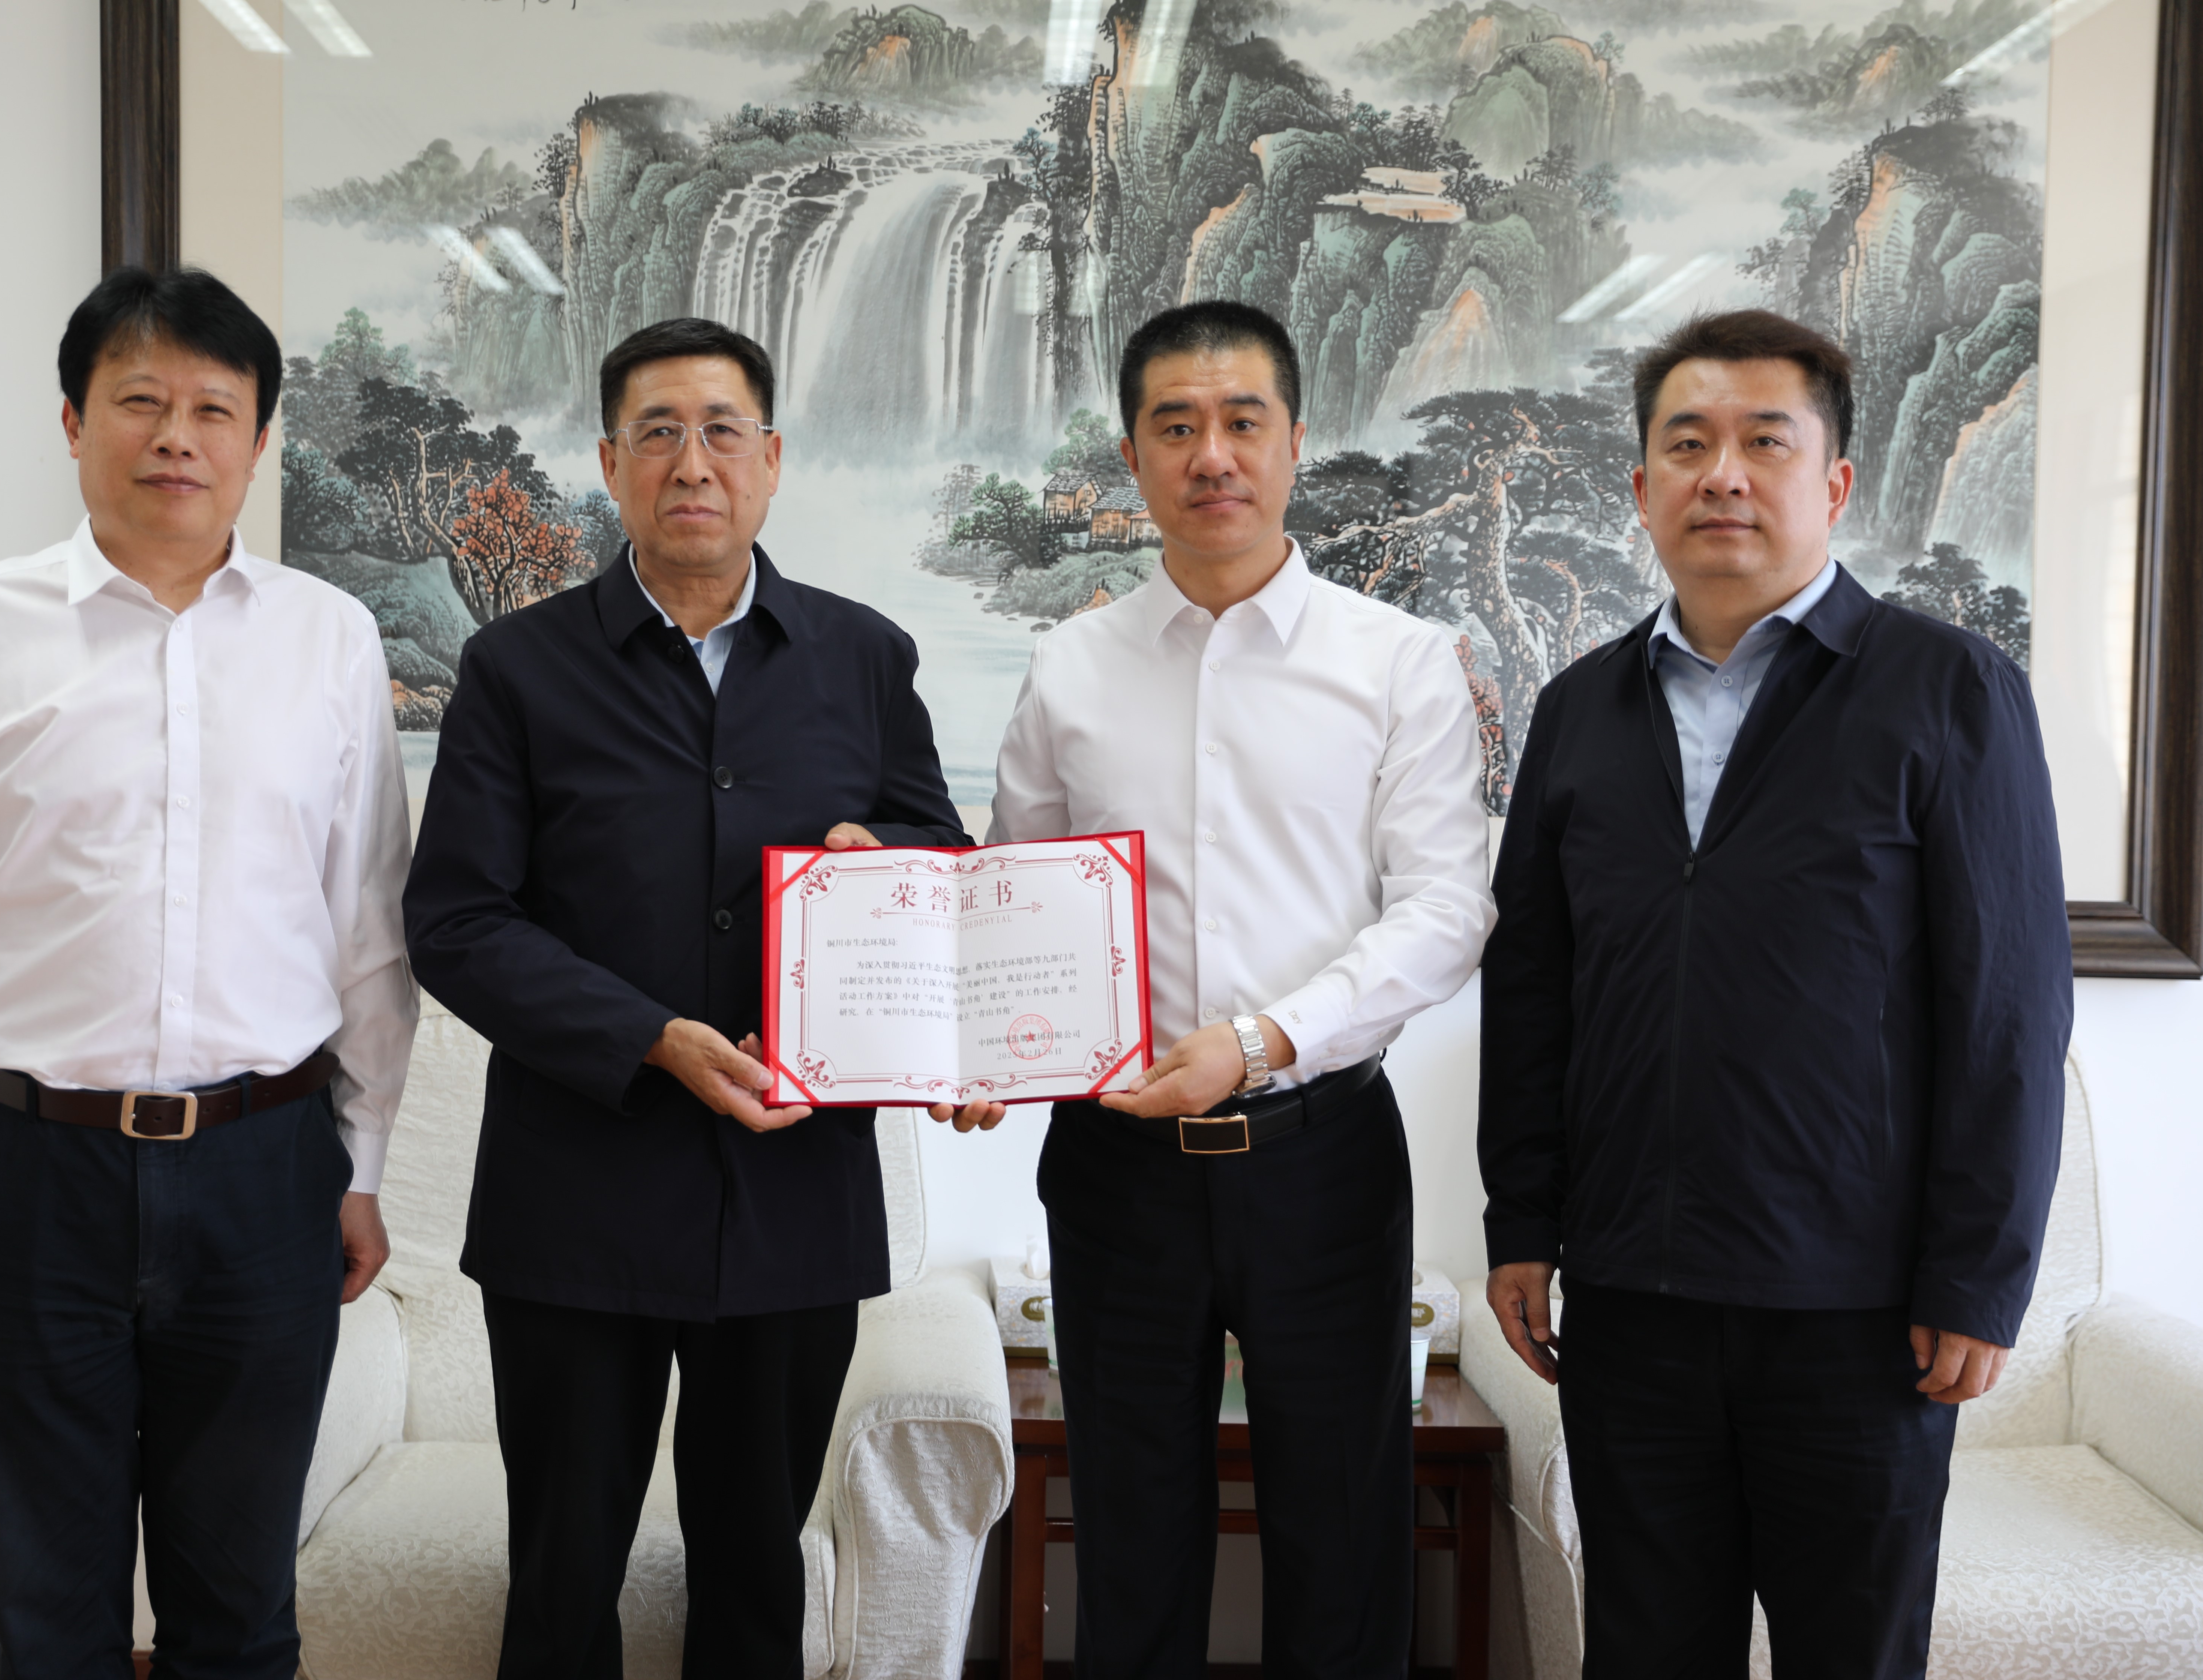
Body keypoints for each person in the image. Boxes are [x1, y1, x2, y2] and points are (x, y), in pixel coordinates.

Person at [0, 266, 419, 1678]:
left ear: (258, 442)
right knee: (51, 1619)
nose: (176, 438)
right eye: (141, 401)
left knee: (241, 1615)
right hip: (30, 1169)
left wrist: (363, 1159)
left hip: (267, 1166)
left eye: (215, 409)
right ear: (75, 422)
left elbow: (368, 931)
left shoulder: (330, 638)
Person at [1478, 309, 2071, 1677]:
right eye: (1687, 446)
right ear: (1642, 487)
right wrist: (1524, 1220)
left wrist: (1978, 1275)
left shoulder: (1950, 690)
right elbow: (1536, 987)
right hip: (1631, 1295)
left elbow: (2010, 1012)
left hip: (1859, 1312)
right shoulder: (1579, 709)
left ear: (1836, 482)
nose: (1724, 476)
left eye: (1765, 442)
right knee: (1644, 1651)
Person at [401, 317, 968, 1680]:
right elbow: (457, 921)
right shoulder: (518, 668)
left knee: (758, 1581)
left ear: (771, 459)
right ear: (611, 464)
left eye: (722, 431)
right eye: (658, 432)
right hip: (574, 1202)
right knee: (561, 1585)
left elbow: (944, 870)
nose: (692, 462)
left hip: (795, 1196)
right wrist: (648, 1038)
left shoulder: (864, 657)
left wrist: (887, 865)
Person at [959, 300, 1496, 1678]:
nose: (1213, 456)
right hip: (1115, 1165)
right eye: (1177, 426)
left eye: (1243, 422)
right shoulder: (1071, 665)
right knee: (1130, 1531)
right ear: (1132, 456)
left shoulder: (1399, 662)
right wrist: (968, 1031)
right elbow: (1017, 895)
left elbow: (1447, 911)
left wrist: (1259, 1042)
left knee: (1343, 1534)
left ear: (1295, 441)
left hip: (1323, 1158)